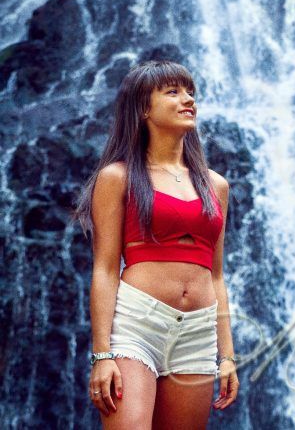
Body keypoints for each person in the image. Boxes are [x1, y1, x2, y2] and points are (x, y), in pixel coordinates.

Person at [72, 60, 240, 428]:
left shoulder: (216, 187)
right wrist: (102, 355)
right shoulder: (117, 177)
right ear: (144, 108)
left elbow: (216, 276)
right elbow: (104, 269)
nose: (188, 100)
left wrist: (226, 356)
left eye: (191, 92)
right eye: (173, 92)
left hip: (197, 332)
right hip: (136, 325)